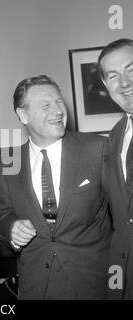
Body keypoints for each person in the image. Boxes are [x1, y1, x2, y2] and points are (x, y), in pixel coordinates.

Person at [0, 75, 112, 299]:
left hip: (94, 283)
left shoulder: (97, 149)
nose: (58, 111)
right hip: (36, 286)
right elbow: (2, 213)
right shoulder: (9, 163)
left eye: (59, 102)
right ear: (23, 115)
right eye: (46, 105)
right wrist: (11, 227)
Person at [97, 38, 133, 299]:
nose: (125, 83)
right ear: (105, 85)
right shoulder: (115, 136)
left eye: (132, 70)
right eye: (113, 76)